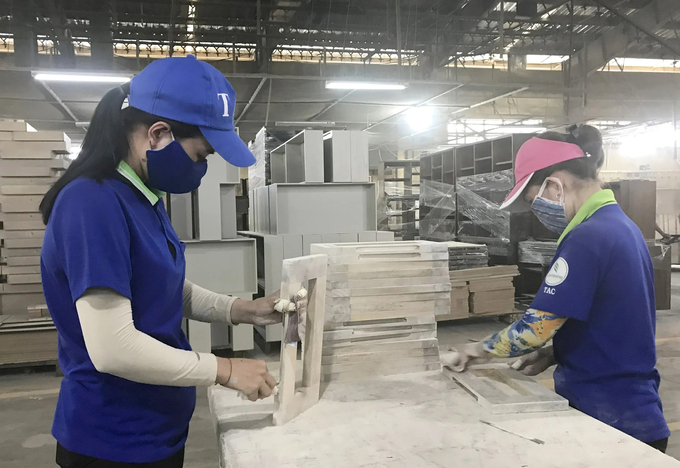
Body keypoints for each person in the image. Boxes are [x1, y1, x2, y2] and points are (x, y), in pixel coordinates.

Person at [40, 55, 294, 467]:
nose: (202, 169)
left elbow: (162, 283)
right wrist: (224, 369)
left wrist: (244, 310)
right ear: (158, 134)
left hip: (156, 429)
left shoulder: (144, 195)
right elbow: (113, 349)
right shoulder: (92, 203)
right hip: (113, 441)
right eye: (200, 155)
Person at [445, 125, 671, 452]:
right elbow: (614, 318)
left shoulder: (588, 237)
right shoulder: (622, 227)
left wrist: (475, 351)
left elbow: (534, 328)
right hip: (632, 414)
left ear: (554, 186)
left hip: (610, 425)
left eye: (534, 200)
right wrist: (556, 352)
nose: (537, 211)